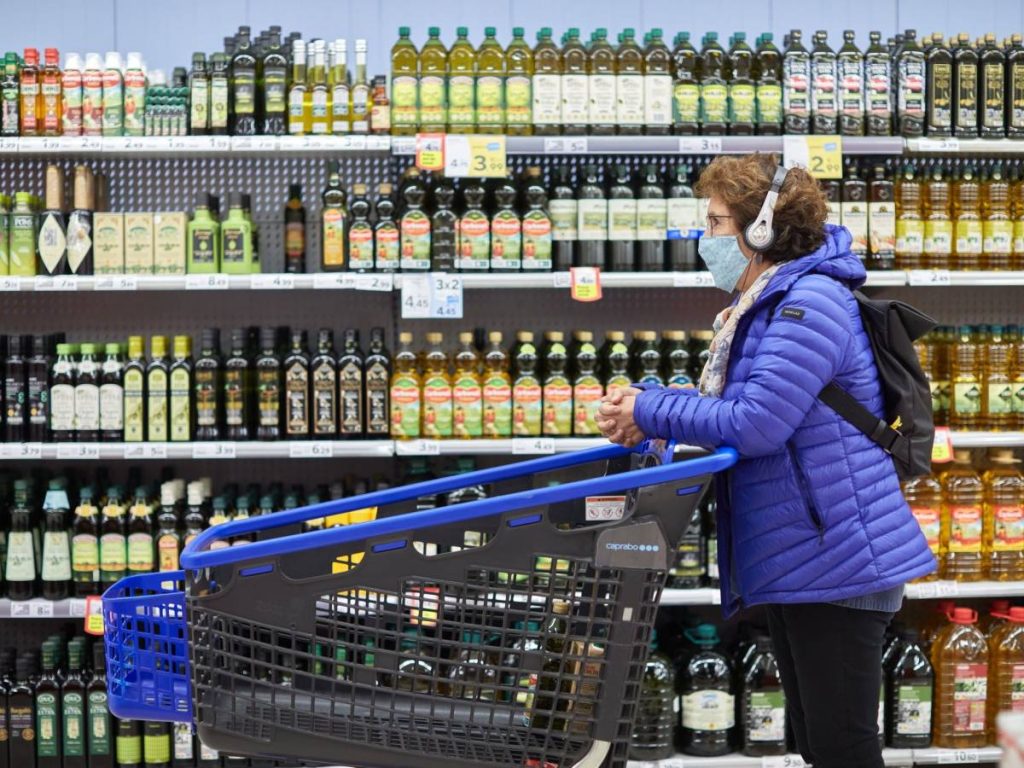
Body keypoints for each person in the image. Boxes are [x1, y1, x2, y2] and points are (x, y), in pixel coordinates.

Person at [597, 153, 935, 768]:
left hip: (838, 558)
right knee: (817, 740)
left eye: (718, 222)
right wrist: (649, 402)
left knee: (843, 746)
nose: (708, 238)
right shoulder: (773, 301)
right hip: (808, 553)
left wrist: (649, 411)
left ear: (760, 231)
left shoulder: (809, 304)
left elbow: (755, 424)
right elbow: (732, 402)